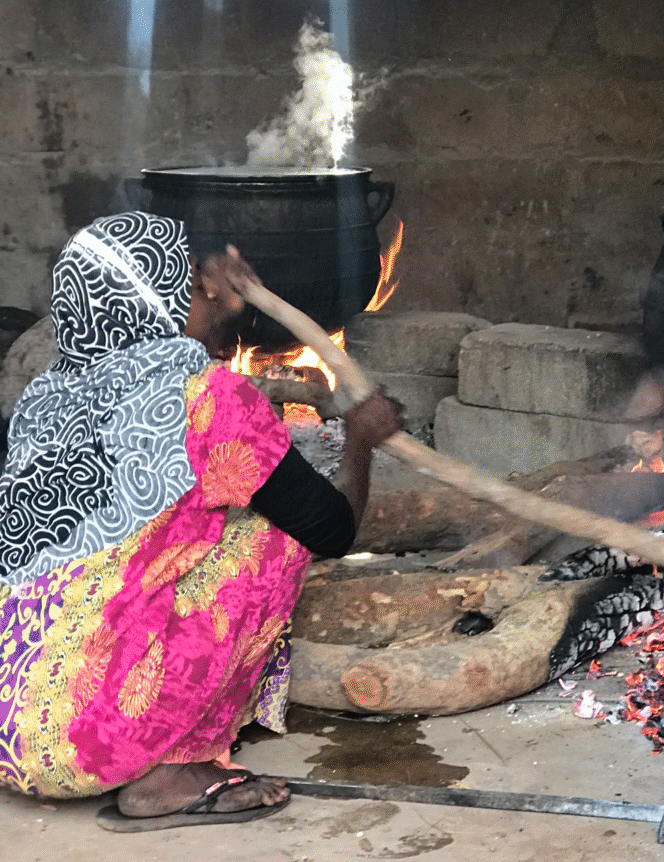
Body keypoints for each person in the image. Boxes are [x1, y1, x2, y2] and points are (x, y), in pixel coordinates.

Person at [0, 211, 400, 829]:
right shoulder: (209, 399)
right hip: (85, 744)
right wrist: (360, 439)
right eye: (189, 283)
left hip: (6, 737)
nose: (207, 291)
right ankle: (172, 774)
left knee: (162, 548)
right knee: (271, 533)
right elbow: (331, 529)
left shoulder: (43, 395)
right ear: (158, 299)